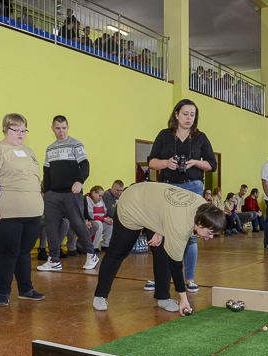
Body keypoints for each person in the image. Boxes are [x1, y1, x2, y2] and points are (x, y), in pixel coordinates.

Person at [92, 183, 225, 315]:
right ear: (200, 223)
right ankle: (100, 296)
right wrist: (183, 299)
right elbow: (176, 265)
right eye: (210, 233)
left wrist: (161, 229)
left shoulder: (204, 207)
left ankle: (163, 298)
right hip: (132, 203)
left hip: (153, 207)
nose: (211, 237)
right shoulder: (180, 226)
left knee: (162, 252)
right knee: (118, 252)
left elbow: (167, 210)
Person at [147, 99, 217, 293]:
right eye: (185, 114)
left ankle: (189, 279)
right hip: (168, 188)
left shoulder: (200, 137)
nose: (189, 118)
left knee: (190, 236)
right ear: (176, 115)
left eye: (192, 115)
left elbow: (212, 164)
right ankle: (161, 278)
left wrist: (195, 162)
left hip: (193, 188)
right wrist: (166, 163)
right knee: (162, 232)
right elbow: (151, 162)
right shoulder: (164, 135)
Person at [0, 113, 44, 307]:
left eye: (24, 130)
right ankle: (3, 293)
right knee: (8, 251)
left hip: (32, 211)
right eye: (16, 130)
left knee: (24, 252)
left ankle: (26, 290)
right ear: (5, 129)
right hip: (5, 212)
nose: (21, 134)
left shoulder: (29, 151)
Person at [38, 115, 99, 272]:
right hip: (53, 195)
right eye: (58, 128)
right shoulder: (50, 149)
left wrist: (80, 181)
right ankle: (54, 259)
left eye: (64, 128)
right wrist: (46, 192)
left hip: (71, 193)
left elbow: (85, 165)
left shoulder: (76, 144)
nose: (61, 131)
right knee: (51, 226)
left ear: (68, 128)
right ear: (52, 129)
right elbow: (46, 172)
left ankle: (91, 254)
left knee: (78, 223)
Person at [85, 185, 112, 253]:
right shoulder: (86, 199)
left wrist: (107, 219)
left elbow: (104, 212)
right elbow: (90, 216)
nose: (101, 198)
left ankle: (105, 245)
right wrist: (103, 219)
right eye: (99, 195)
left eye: (102, 196)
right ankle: (94, 247)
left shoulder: (100, 200)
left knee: (110, 225)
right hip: (90, 221)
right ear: (93, 193)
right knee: (99, 224)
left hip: (100, 219)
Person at [101, 180, 123, 252]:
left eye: (121, 191)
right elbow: (109, 212)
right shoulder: (107, 195)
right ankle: (106, 245)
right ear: (112, 188)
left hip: (113, 218)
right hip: (104, 218)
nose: (119, 193)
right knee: (113, 223)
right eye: (117, 190)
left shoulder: (120, 196)